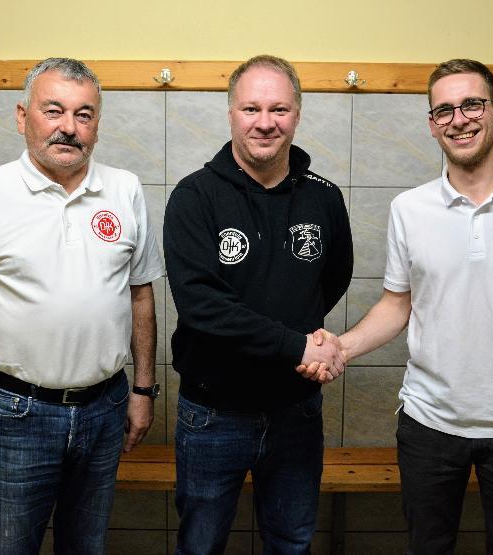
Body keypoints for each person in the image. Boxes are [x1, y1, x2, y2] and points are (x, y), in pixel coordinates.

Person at [301, 59, 493, 554]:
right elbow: (397, 305)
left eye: (471, 105)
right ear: (432, 125)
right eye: (444, 110)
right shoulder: (409, 209)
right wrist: (341, 347)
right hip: (429, 425)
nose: (458, 119)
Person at [0, 57, 164, 554]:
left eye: (83, 115)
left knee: (86, 547)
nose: (68, 128)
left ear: (97, 124)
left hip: (106, 409)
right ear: (22, 116)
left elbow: (141, 294)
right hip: (16, 413)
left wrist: (143, 390)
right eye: (53, 111)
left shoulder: (125, 189)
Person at [163, 54, 353, 554]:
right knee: (201, 545)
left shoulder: (325, 198)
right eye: (251, 108)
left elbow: (332, 281)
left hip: (295, 412)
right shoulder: (194, 197)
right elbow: (202, 306)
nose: (265, 123)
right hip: (212, 414)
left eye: (279, 109)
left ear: (297, 113)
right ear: (230, 113)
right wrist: (296, 344)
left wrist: (300, 340)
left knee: (291, 542)